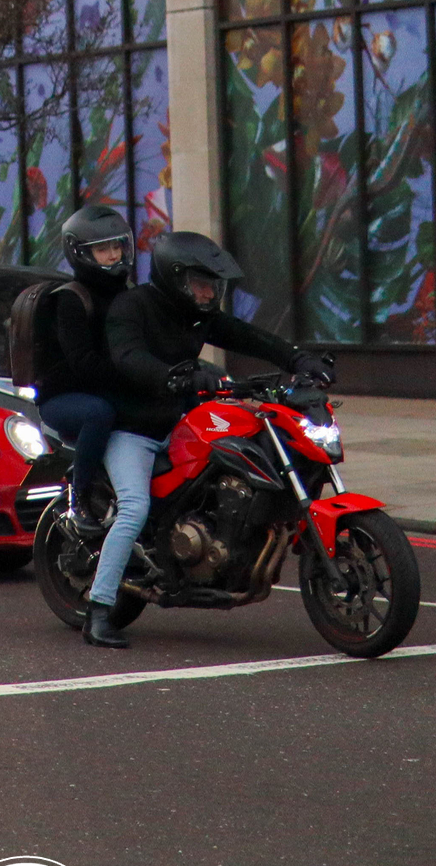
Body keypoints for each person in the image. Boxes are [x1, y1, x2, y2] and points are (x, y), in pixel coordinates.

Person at [84, 232, 331, 650]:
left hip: (179, 422)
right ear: (174, 278)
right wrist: (175, 375)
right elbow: (128, 358)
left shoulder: (198, 315)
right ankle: (99, 610)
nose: (208, 292)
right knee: (134, 508)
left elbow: (250, 337)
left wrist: (298, 359)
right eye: (201, 284)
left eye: (213, 285)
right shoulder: (132, 307)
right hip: (134, 430)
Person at [33, 205, 135, 527]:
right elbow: (83, 364)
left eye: (116, 246)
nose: (112, 255)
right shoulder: (71, 300)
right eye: (102, 249)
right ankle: (79, 494)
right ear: (81, 253)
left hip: (107, 389)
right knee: (99, 413)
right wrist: (132, 377)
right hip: (63, 397)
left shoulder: (128, 295)